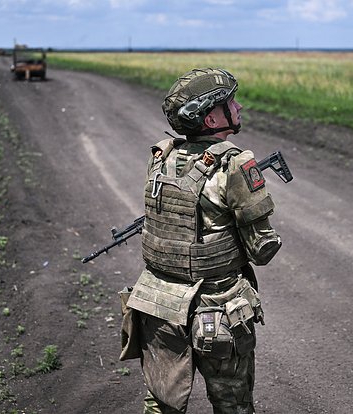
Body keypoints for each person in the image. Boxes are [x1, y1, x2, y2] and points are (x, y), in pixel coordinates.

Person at [122, 68, 282, 414]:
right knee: (233, 405)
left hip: (158, 304)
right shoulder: (235, 165)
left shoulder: (161, 157)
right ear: (210, 118)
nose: (238, 107)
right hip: (217, 306)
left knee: (160, 404)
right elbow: (261, 250)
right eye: (230, 103)